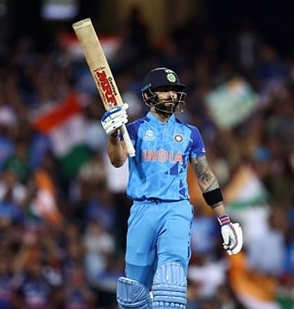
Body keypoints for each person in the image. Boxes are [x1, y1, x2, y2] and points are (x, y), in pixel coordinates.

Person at [100, 67, 244, 308]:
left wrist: (224, 220)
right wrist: (114, 135)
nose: (171, 95)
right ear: (148, 96)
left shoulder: (190, 133)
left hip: (176, 210)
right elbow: (117, 161)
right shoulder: (133, 130)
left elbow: (205, 177)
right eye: (164, 90)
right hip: (142, 210)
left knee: (171, 282)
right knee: (132, 295)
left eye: (174, 91)